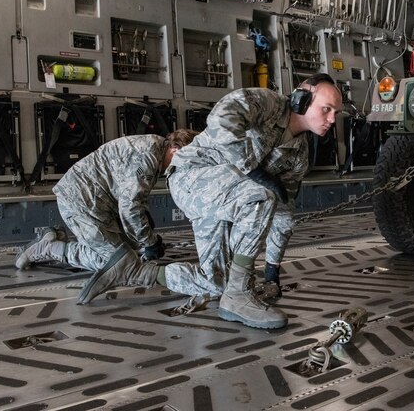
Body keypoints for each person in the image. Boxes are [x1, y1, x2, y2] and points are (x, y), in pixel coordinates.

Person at [77, 74, 343, 330]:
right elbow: (221, 117)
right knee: (260, 195)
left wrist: (272, 271)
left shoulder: (298, 156)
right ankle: (238, 295)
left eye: (336, 113)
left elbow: (284, 213)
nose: (332, 119)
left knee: (214, 283)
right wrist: (252, 170)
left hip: (224, 198)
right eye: (326, 109)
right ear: (301, 99)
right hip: (193, 175)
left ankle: (136, 272)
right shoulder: (269, 104)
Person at [15, 129, 199, 272]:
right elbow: (130, 209)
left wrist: (145, 237)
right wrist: (150, 242)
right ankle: (47, 248)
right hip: (81, 202)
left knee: (132, 249)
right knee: (117, 263)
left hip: (100, 202)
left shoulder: (156, 147)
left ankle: (55, 235)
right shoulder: (148, 158)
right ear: (175, 151)